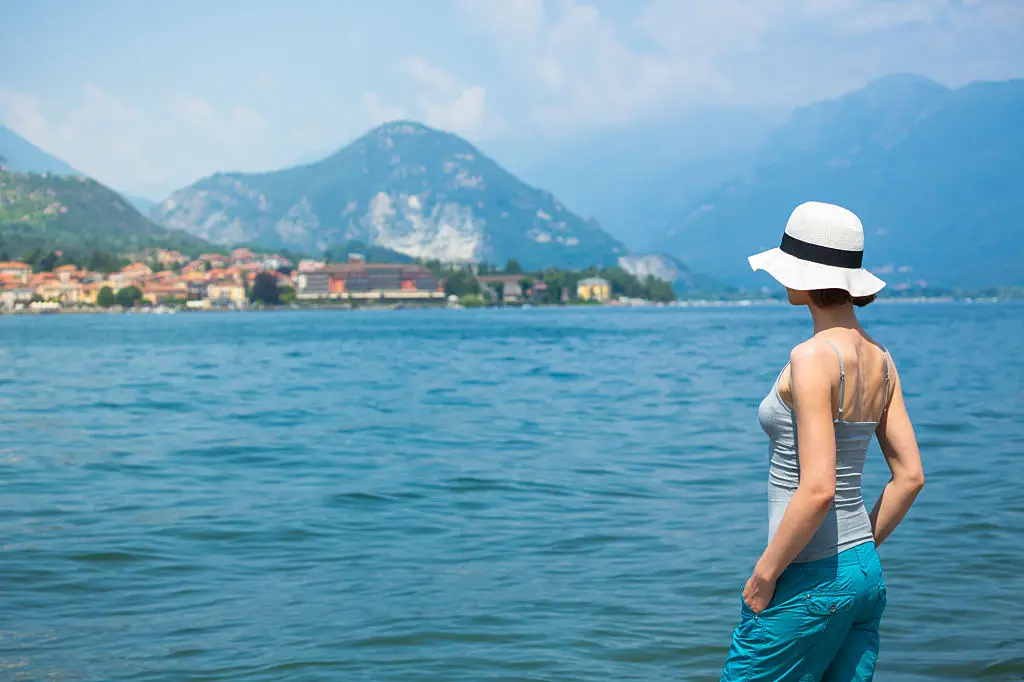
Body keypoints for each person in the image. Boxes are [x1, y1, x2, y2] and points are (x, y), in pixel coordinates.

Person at [720, 201, 925, 681]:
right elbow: (910, 477)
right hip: (864, 574)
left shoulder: (812, 357)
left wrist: (764, 576)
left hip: (807, 579)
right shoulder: (881, 359)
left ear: (806, 275)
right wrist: (858, 551)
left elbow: (817, 489)